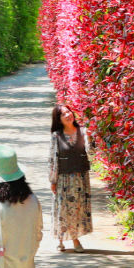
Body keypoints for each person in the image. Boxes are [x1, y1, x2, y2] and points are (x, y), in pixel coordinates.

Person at [49, 104, 92, 252]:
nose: (68, 115)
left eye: (69, 111)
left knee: (76, 209)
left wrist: (90, 138)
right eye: (63, 114)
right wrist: (53, 180)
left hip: (80, 177)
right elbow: (53, 159)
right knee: (63, 209)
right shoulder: (56, 136)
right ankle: (71, 240)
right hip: (63, 179)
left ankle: (67, 238)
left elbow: (90, 150)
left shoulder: (83, 131)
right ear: (59, 119)